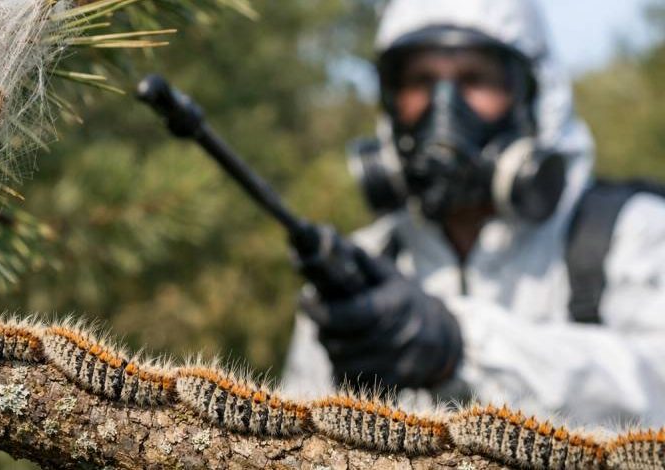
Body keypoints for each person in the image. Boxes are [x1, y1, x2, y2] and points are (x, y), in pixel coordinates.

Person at [281, 0, 665, 427]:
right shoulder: (361, 266)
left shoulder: (633, 232)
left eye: (475, 78)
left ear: (535, 95)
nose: (444, 110)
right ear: (391, 103)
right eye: (420, 81)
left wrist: (460, 348)